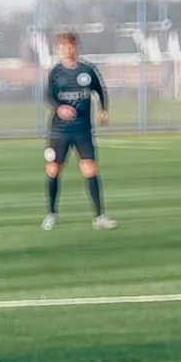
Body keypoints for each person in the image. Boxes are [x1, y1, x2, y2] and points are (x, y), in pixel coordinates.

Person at [43, 32, 116, 231]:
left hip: (83, 130)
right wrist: (60, 107)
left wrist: (103, 109)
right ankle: (51, 214)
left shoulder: (87, 71)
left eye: (71, 46)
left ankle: (100, 216)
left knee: (90, 169)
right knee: (53, 169)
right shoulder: (56, 72)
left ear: (77, 47)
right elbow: (49, 96)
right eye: (64, 46)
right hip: (60, 131)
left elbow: (100, 90)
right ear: (59, 49)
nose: (68, 50)